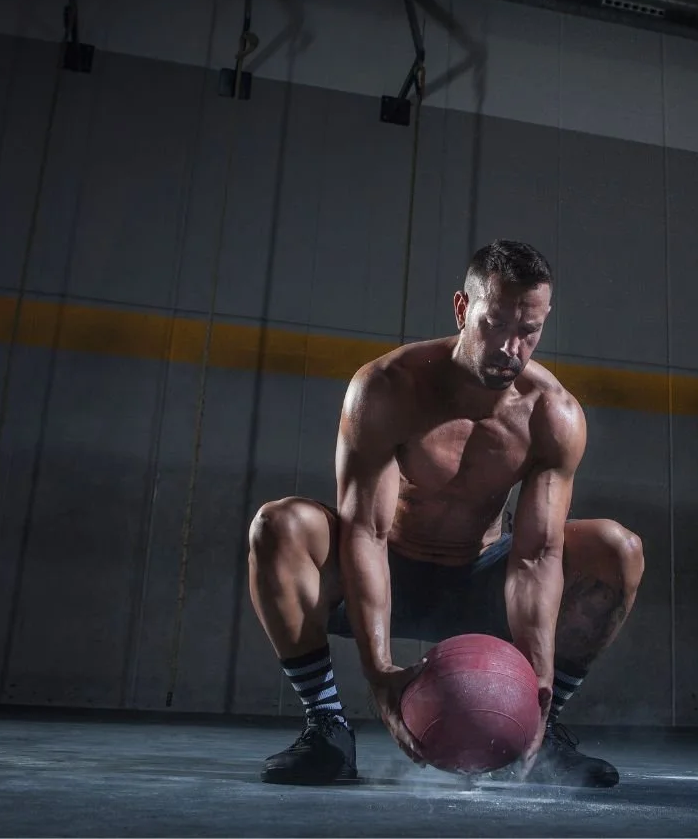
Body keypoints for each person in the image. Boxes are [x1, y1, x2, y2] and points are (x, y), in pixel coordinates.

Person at [246, 239, 645, 788]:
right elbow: (365, 531)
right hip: (388, 566)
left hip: (481, 581)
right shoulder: (388, 389)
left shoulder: (553, 414)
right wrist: (381, 673)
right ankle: (328, 726)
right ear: (463, 309)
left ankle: (545, 728)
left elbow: (535, 556)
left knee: (616, 550)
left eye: (528, 330)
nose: (511, 347)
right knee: (279, 525)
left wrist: (537, 680)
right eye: (495, 324)